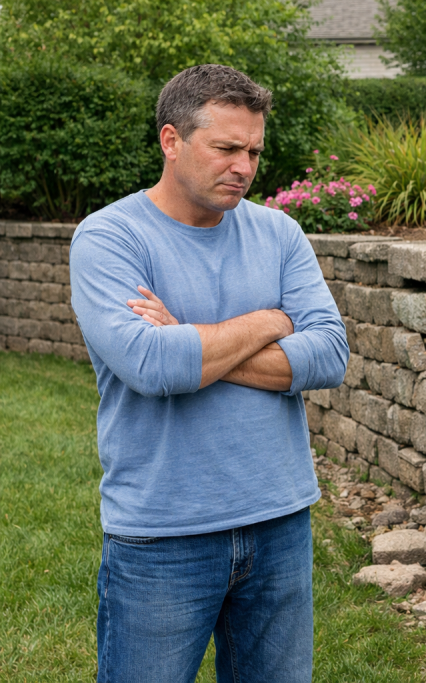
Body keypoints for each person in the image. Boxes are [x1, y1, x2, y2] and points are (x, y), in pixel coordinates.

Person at [69, 64, 348, 682]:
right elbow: (151, 364)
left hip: (280, 521)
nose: (244, 167)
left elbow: (330, 355)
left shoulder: (278, 232)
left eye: (253, 151)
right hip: (164, 535)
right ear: (172, 141)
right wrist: (273, 320)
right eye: (226, 148)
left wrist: (193, 341)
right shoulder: (110, 238)